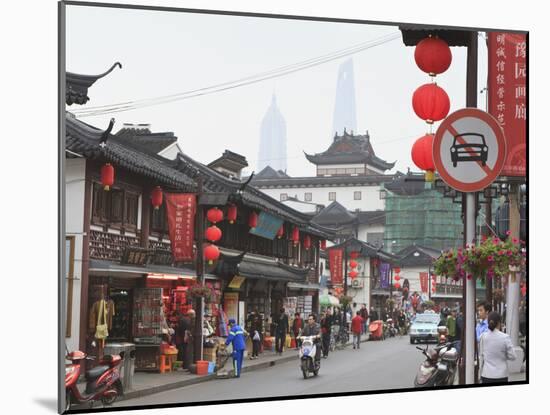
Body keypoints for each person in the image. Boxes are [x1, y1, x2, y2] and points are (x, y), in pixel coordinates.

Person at [479, 311, 516, 383]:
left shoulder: (483, 337)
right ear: (499, 323)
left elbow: (481, 355)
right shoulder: (505, 337)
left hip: (486, 374)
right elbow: (513, 356)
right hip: (502, 375)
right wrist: (503, 355)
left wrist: (480, 373)